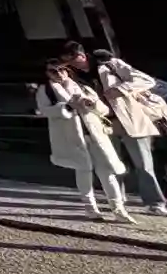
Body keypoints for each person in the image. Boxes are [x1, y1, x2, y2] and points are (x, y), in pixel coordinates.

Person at [36, 57, 132, 222]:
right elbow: (44, 110)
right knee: (84, 171)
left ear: (67, 70)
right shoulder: (46, 90)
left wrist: (92, 103)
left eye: (61, 69)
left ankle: (118, 209)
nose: (59, 74)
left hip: (95, 134)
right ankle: (91, 208)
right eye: (53, 71)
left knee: (107, 170)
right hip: (71, 137)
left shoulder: (81, 86)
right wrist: (67, 107)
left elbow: (104, 109)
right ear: (47, 73)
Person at [93, 50, 167, 217]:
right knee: (113, 164)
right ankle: (117, 200)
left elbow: (146, 80)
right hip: (106, 122)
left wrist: (121, 89)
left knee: (144, 165)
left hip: (131, 120)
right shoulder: (78, 74)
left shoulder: (114, 65)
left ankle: (155, 203)